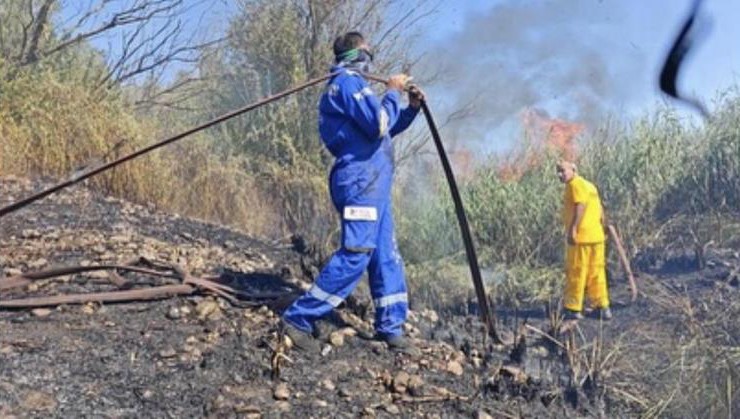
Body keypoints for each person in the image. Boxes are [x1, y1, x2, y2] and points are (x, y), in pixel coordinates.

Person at [281, 31, 425, 354]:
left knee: (386, 254)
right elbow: (377, 124)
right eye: (368, 53)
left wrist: (411, 108)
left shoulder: (355, 87)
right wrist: (391, 91)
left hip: (376, 185)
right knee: (357, 254)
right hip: (359, 183)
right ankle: (297, 318)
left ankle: (390, 326)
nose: (371, 59)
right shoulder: (347, 83)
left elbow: (385, 127)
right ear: (358, 54)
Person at [556, 160, 612, 321]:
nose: (560, 175)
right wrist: (603, 225)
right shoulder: (590, 185)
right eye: (557, 172)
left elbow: (581, 205)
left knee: (576, 271)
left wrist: (573, 229)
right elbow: (600, 208)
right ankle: (602, 307)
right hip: (596, 237)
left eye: (562, 170)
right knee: (597, 272)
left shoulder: (575, 185)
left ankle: (572, 308)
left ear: (573, 169)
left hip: (581, 238)